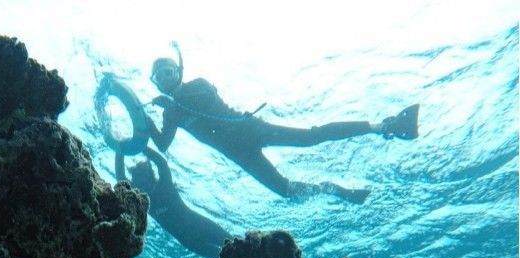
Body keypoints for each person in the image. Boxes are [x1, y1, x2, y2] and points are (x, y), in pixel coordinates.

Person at [146, 53, 419, 204]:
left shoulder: (197, 86)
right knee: (285, 191)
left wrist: (173, 105)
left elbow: (205, 102)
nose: (166, 78)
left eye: (169, 70)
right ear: (155, 83)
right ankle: (334, 190)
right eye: (159, 76)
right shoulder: (173, 114)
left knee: (311, 137)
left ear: (179, 71)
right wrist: (144, 118)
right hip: (238, 153)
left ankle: (381, 125)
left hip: (250, 130)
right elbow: (162, 144)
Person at [116, 146, 230, 258]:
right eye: (141, 183)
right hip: (189, 241)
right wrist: (120, 149)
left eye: (146, 179)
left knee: (236, 244)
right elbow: (121, 180)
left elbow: (162, 164)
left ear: (152, 176)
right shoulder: (143, 201)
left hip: (202, 226)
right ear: (136, 185)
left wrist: (140, 146)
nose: (145, 184)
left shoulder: (165, 186)